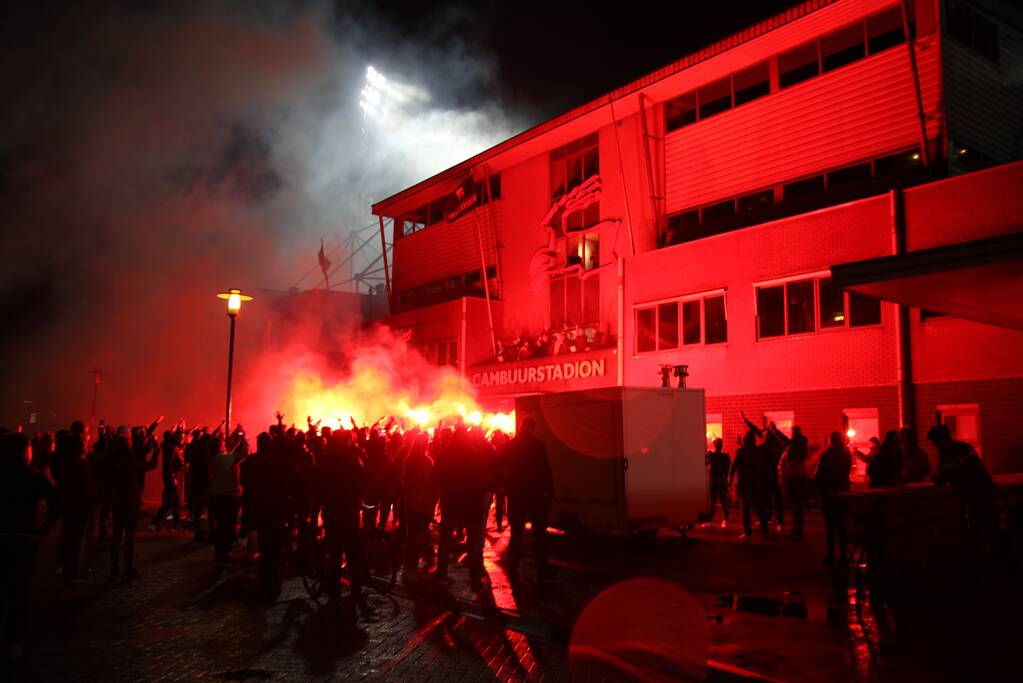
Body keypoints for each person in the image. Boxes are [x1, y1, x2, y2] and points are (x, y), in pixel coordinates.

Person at [1, 432, 59, 660]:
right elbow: (56, 504)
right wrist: (42, 529)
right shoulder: (32, 477)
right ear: (25, 451)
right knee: (18, 592)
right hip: (23, 540)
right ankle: (13, 641)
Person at [435, 425, 495, 590]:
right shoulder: (473, 455)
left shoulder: (444, 455)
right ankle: (475, 577)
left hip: (451, 504)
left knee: (445, 541)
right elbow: (482, 480)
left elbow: (436, 477)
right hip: (469, 505)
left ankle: (441, 573)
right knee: (474, 542)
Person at [505, 417, 555, 583]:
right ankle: (543, 571)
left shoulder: (511, 445)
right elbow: (546, 470)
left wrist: (506, 489)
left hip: (516, 497)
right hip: (535, 496)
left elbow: (503, 468)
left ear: (520, 427)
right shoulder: (538, 446)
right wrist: (550, 493)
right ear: (532, 428)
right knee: (540, 536)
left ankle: (512, 569)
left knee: (516, 535)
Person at [319, 430, 367, 598]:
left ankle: (334, 585)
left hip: (332, 510)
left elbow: (318, 486)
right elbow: (363, 481)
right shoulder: (353, 459)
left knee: (335, 550)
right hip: (349, 510)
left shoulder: (325, 459)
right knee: (352, 549)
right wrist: (359, 501)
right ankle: (356, 587)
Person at [927, 424, 998, 538]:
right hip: (979, 492)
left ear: (942, 440)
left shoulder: (950, 454)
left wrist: (937, 479)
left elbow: (946, 475)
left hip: (975, 494)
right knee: (987, 524)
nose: (935, 446)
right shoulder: (964, 448)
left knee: (980, 526)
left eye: (935, 443)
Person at [108, 425, 159, 580]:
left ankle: (115, 569)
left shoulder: (113, 460)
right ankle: (128, 569)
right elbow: (151, 465)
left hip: (118, 501)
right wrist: (157, 451)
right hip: (130, 502)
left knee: (116, 536)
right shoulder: (131, 460)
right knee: (129, 537)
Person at [57, 432, 95, 581]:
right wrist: (90, 505)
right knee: (78, 540)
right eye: (85, 444)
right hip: (80, 508)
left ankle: (67, 569)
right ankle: (75, 571)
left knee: (68, 539)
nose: (87, 446)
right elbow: (86, 488)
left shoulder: (66, 463)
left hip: (69, 506)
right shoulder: (81, 464)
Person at [207, 429, 248, 567]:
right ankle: (223, 556)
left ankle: (220, 554)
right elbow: (244, 453)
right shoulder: (225, 459)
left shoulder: (214, 459)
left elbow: (230, 452)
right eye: (222, 444)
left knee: (222, 527)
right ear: (220, 447)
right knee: (227, 527)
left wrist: (237, 440)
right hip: (227, 498)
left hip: (216, 497)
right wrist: (244, 439)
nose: (225, 446)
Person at [401, 433, 437, 574]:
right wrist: (435, 494)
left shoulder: (408, 460)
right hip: (422, 504)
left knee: (413, 535)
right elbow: (428, 483)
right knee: (419, 535)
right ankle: (413, 566)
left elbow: (405, 482)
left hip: (410, 503)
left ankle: (411, 565)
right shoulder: (425, 462)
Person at [814, 432, 852, 565]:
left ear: (830, 441)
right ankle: (843, 554)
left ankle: (830, 555)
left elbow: (819, 476)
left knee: (830, 526)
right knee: (842, 526)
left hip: (829, 494)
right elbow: (847, 471)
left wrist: (814, 488)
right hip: (843, 493)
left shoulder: (826, 456)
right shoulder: (846, 455)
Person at [730, 430, 767, 539]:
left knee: (745, 508)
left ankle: (747, 532)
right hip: (755, 481)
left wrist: (730, 478)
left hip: (744, 482)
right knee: (758, 505)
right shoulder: (758, 451)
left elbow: (734, 466)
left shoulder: (740, 452)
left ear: (745, 440)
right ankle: (765, 528)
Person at [778, 426, 810, 537]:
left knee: (794, 503)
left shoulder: (795, 445)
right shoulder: (801, 445)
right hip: (798, 475)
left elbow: (785, 440)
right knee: (796, 503)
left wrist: (775, 431)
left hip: (792, 476)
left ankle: (797, 528)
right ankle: (797, 527)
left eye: (792, 432)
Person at [152, 428, 184, 531]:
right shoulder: (172, 447)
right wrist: (173, 477)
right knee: (170, 501)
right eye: (180, 437)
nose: (182, 438)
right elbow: (169, 464)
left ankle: (176, 524)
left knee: (175, 501)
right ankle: (155, 522)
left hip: (170, 476)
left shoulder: (169, 446)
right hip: (171, 477)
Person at [705, 438, 731, 525]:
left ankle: (711, 520)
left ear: (714, 446)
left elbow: (706, 462)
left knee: (713, 501)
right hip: (722, 478)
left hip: (714, 478)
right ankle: (726, 520)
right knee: (724, 501)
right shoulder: (726, 456)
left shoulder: (711, 455)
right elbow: (728, 466)